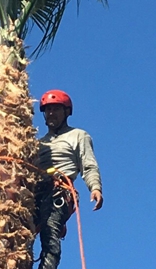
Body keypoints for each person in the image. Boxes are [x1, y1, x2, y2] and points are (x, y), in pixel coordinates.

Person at [34, 90, 104, 269]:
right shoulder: (37, 143)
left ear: (66, 112)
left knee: (50, 231)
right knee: (21, 234)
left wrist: (95, 187)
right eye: (48, 110)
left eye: (56, 109)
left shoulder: (78, 135)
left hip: (59, 191)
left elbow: (88, 165)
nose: (51, 113)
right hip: (35, 193)